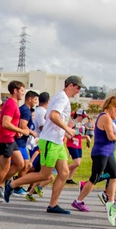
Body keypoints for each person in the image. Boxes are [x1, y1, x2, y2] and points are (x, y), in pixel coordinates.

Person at [5, 76, 83, 214]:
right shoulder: (62, 98)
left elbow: (48, 117)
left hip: (57, 142)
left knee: (64, 173)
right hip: (50, 141)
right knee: (45, 175)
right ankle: (12, 184)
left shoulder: (60, 97)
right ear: (70, 85)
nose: (79, 91)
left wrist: (63, 130)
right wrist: (66, 128)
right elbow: (53, 116)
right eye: (78, 88)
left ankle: (53, 205)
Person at [72, 96, 116, 213]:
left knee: (115, 175)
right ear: (112, 107)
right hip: (101, 152)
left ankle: (111, 202)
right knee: (95, 178)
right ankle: (78, 201)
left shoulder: (106, 117)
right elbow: (111, 137)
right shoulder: (105, 118)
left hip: (107, 153)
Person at [0, 80, 28, 202]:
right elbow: (5, 123)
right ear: (15, 90)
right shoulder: (11, 104)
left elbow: (1, 122)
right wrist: (21, 130)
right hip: (4, 139)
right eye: (22, 91)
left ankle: (0, 184)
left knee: (20, 163)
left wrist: (16, 131)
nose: (23, 94)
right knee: (4, 168)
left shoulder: (12, 103)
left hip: (9, 137)